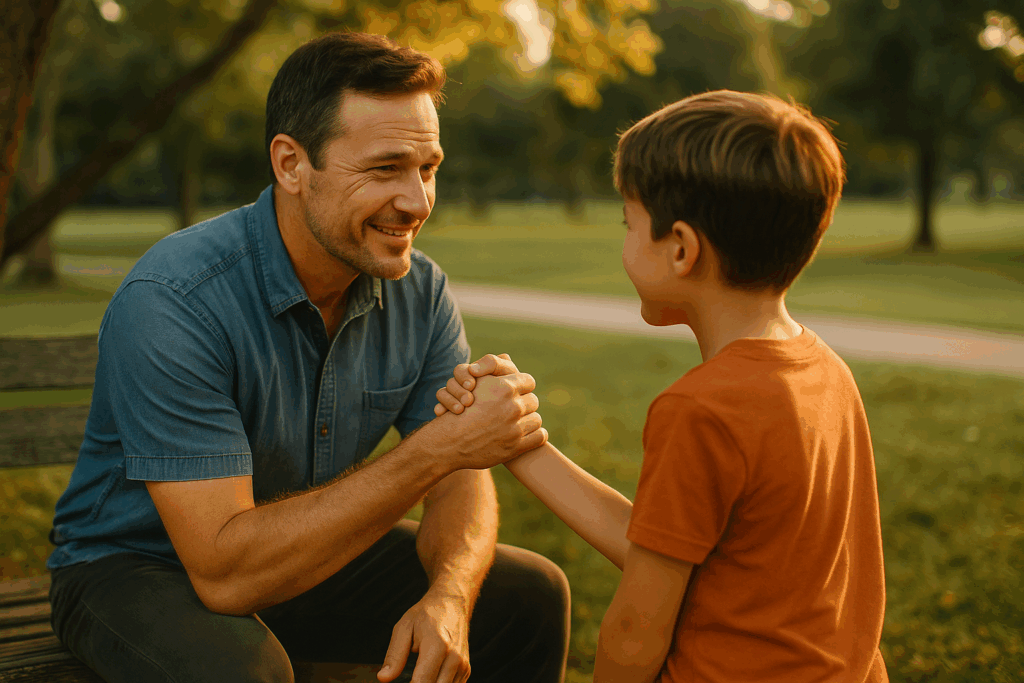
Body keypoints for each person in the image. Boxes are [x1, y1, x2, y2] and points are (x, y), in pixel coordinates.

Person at [46, 32, 570, 683]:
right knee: (243, 671)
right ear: (292, 165)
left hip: (309, 549)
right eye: (385, 169)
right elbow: (225, 575)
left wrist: (450, 595)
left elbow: (460, 479)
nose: (417, 201)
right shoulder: (177, 299)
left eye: (428, 168)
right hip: (135, 566)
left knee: (528, 597)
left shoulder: (420, 291)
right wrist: (437, 450)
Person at [435, 91, 888, 683]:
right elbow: (666, 550)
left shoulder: (701, 409)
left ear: (680, 248)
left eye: (629, 223)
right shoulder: (825, 372)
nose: (624, 242)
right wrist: (518, 442)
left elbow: (635, 629)